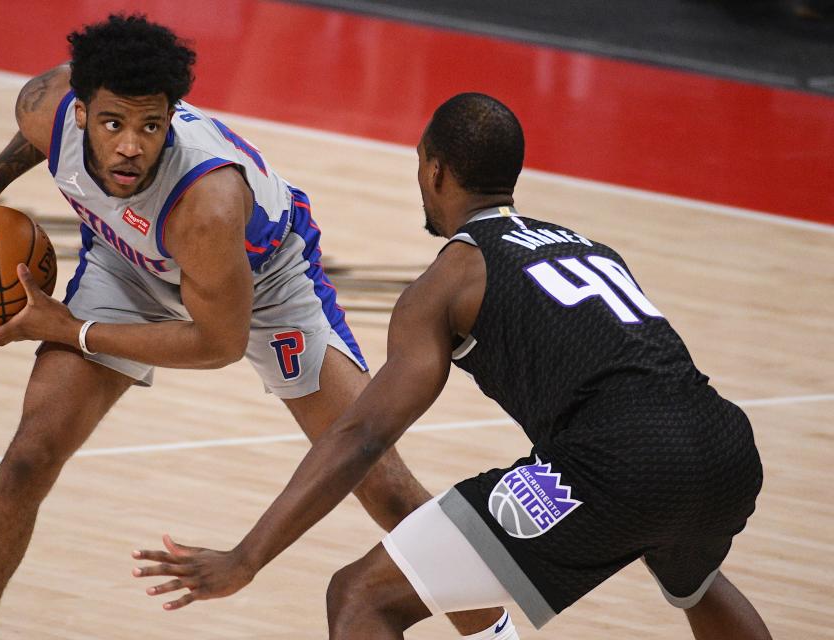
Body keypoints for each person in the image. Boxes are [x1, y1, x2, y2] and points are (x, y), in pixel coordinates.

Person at [0, 14, 508, 640]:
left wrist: (71, 330)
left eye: (151, 126)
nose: (129, 146)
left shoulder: (209, 202)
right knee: (29, 455)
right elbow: (34, 140)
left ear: (171, 117)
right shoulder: (43, 107)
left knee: (380, 480)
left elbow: (217, 343)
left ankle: (497, 636)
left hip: (263, 283)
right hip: (129, 263)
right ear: (80, 113)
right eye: (112, 123)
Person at [132, 93, 773, 640]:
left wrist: (248, 557)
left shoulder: (449, 279)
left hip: (615, 459)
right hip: (724, 447)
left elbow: (364, 436)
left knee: (359, 598)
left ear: (436, 171)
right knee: (694, 581)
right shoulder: (589, 246)